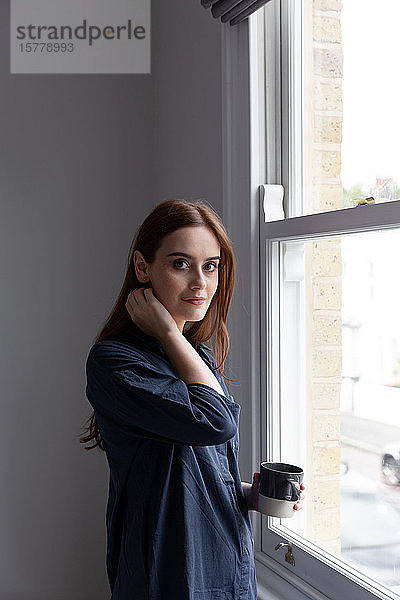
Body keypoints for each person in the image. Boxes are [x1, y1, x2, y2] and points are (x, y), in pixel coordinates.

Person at [81, 198, 305, 600]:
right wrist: (168, 332)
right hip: (167, 571)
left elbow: (191, 464)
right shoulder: (114, 363)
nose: (200, 283)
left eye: (210, 266)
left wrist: (245, 494)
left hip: (228, 566)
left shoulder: (196, 357)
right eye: (180, 264)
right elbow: (216, 422)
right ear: (142, 268)